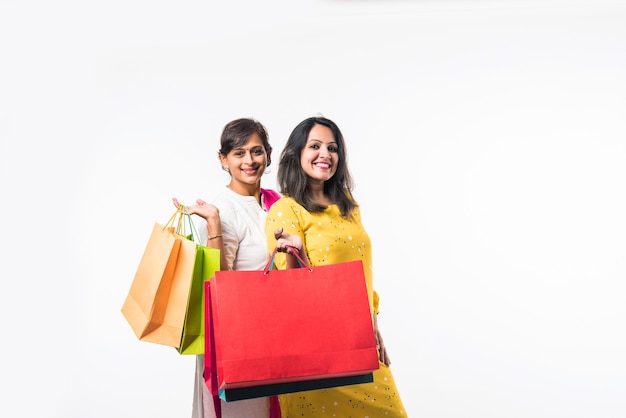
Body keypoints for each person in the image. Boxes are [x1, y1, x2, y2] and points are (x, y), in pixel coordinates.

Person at [265, 115, 408, 417]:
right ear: (296, 154)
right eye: (314, 146)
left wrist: (374, 324)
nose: (325, 155)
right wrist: (294, 251)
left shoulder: (348, 206)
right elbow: (286, 290)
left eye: (332, 148)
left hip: (359, 341)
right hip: (314, 351)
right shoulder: (285, 209)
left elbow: (361, 270)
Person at [173, 117, 281, 418]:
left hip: (274, 332)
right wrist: (214, 224)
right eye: (239, 153)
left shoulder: (276, 204)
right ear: (223, 159)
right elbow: (219, 284)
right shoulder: (224, 209)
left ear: (268, 154)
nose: (249, 161)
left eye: (257, 151)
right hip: (239, 338)